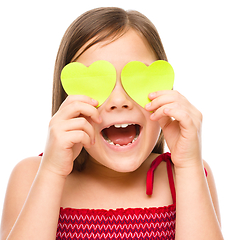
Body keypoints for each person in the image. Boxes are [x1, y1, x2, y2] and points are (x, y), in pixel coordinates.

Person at [0, 7, 224, 240]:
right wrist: (52, 172)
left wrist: (189, 167)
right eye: (96, 82)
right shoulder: (32, 176)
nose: (119, 101)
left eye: (136, 79)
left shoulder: (190, 175)